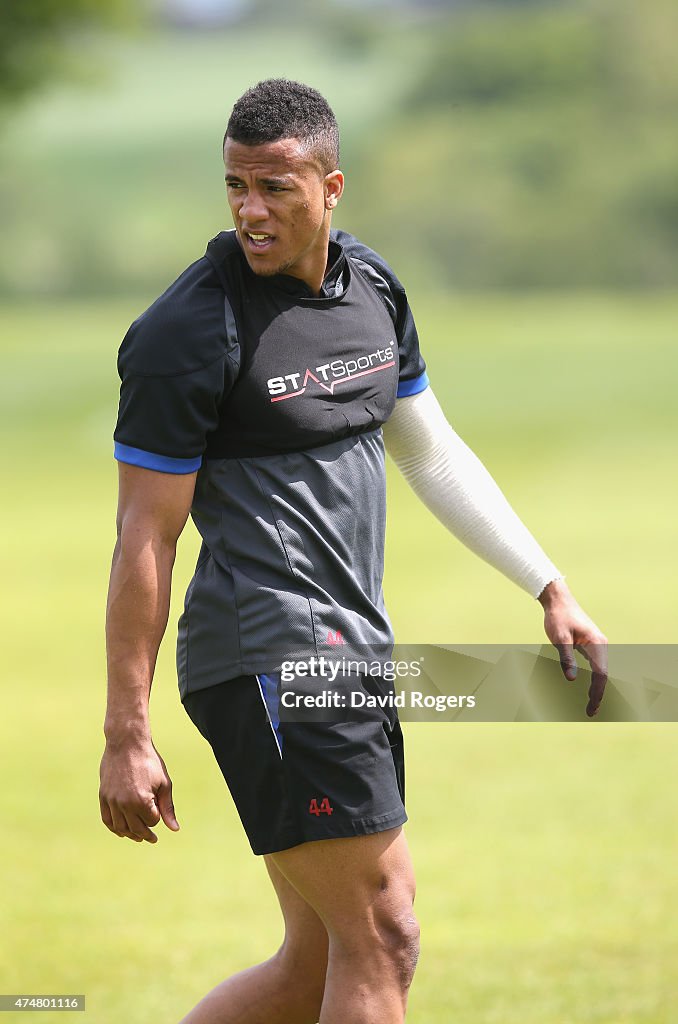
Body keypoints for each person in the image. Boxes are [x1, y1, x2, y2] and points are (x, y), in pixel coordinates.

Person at [99, 79, 608, 1024]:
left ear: (333, 187)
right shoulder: (185, 333)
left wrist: (547, 583)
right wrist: (126, 733)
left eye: (277, 187)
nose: (252, 209)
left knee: (315, 962)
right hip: (269, 658)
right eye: (236, 186)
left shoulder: (371, 287)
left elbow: (430, 450)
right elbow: (146, 537)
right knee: (385, 934)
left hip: (352, 650)